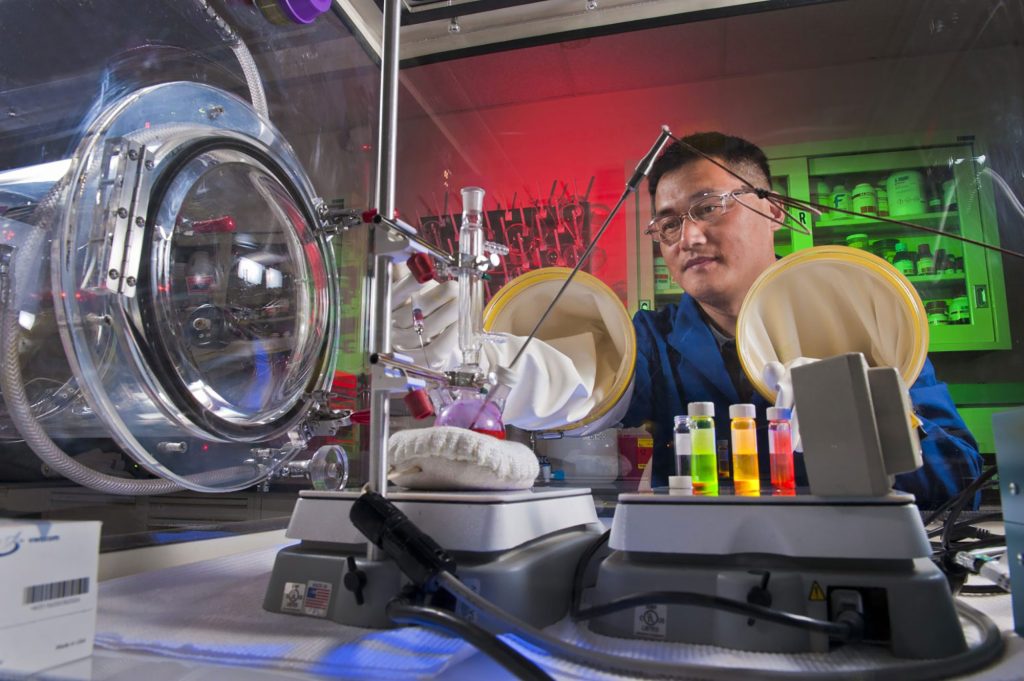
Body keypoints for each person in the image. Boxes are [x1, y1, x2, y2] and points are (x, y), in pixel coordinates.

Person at [620, 131, 982, 509]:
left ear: (773, 211)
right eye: (669, 225)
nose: (688, 238)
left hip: (837, 558)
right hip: (697, 560)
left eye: (709, 207)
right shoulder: (650, 337)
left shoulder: (863, 319)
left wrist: (878, 418)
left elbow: (960, 485)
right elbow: (598, 417)